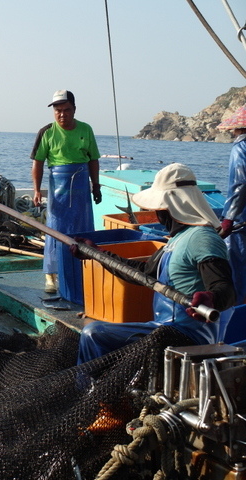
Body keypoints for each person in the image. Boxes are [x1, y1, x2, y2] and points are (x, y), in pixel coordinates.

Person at [74, 163, 236, 364]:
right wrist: (97, 254)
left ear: (173, 206)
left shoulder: (202, 238)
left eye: (159, 209)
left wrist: (212, 298)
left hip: (185, 335)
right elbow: (143, 273)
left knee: (93, 333)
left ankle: (87, 392)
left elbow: (226, 289)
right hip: (161, 328)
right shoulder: (177, 239)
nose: (158, 215)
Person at [31, 90, 101, 293]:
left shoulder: (86, 129)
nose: (62, 114)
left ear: (74, 110)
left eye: (66, 110)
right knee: (55, 229)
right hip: (57, 186)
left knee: (83, 228)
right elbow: (38, 163)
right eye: (58, 110)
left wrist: (95, 186)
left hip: (81, 186)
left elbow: (93, 159)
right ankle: (51, 275)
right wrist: (37, 190)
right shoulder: (47, 132)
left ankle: (82, 271)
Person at [217, 105, 246, 306]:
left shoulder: (241, 147)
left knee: (237, 270)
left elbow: (240, 182)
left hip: (241, 222)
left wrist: (229, 218)